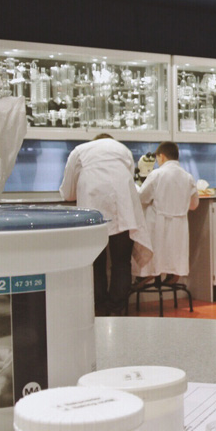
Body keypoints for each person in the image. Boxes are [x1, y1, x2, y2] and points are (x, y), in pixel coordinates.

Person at [60, 133, 151, 316]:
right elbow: (129, 177)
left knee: (95, 262)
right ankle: (116, 310)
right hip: (122, 207)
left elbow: (68, 193)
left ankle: (99, 310)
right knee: (121, 263)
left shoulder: (80, 151)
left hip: (94, 207)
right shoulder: (123, 150)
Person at [131, 141, 200, 287]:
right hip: (179, 227)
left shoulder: (157, 174)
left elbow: (142, 198)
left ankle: (148, 274)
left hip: (157, 224)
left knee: (154, 253)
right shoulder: (188, 177)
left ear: (161, 156)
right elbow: (194, 205)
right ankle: (173, 273)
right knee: (174, 254)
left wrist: (136, 186)